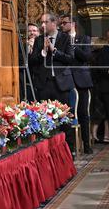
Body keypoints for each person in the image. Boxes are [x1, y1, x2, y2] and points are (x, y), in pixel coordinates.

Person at [29, 13, 77, 147]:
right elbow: (32, 61)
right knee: (44, 119)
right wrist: (43, 51)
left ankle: (69, 149)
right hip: (44, 84)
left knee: (65, 119)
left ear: (53, 23)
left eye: (45, 22)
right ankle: (47, 150)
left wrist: (54, 50)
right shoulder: (39, 40)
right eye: (41, 22)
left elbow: (70, 58)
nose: (42, 25)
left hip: (61, 84)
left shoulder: (65, 38)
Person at [61, 15, 94, 154]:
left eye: (64, 23)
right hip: (67, 80)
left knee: (83, 113)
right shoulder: (61, 40)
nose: (62, 25)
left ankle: (86, 144)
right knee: (68, 114)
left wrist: (74, 45)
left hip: (81, 80)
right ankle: (71, 146)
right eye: (61, 23)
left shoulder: (84, 39)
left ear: (72, 24)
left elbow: (87, 57)